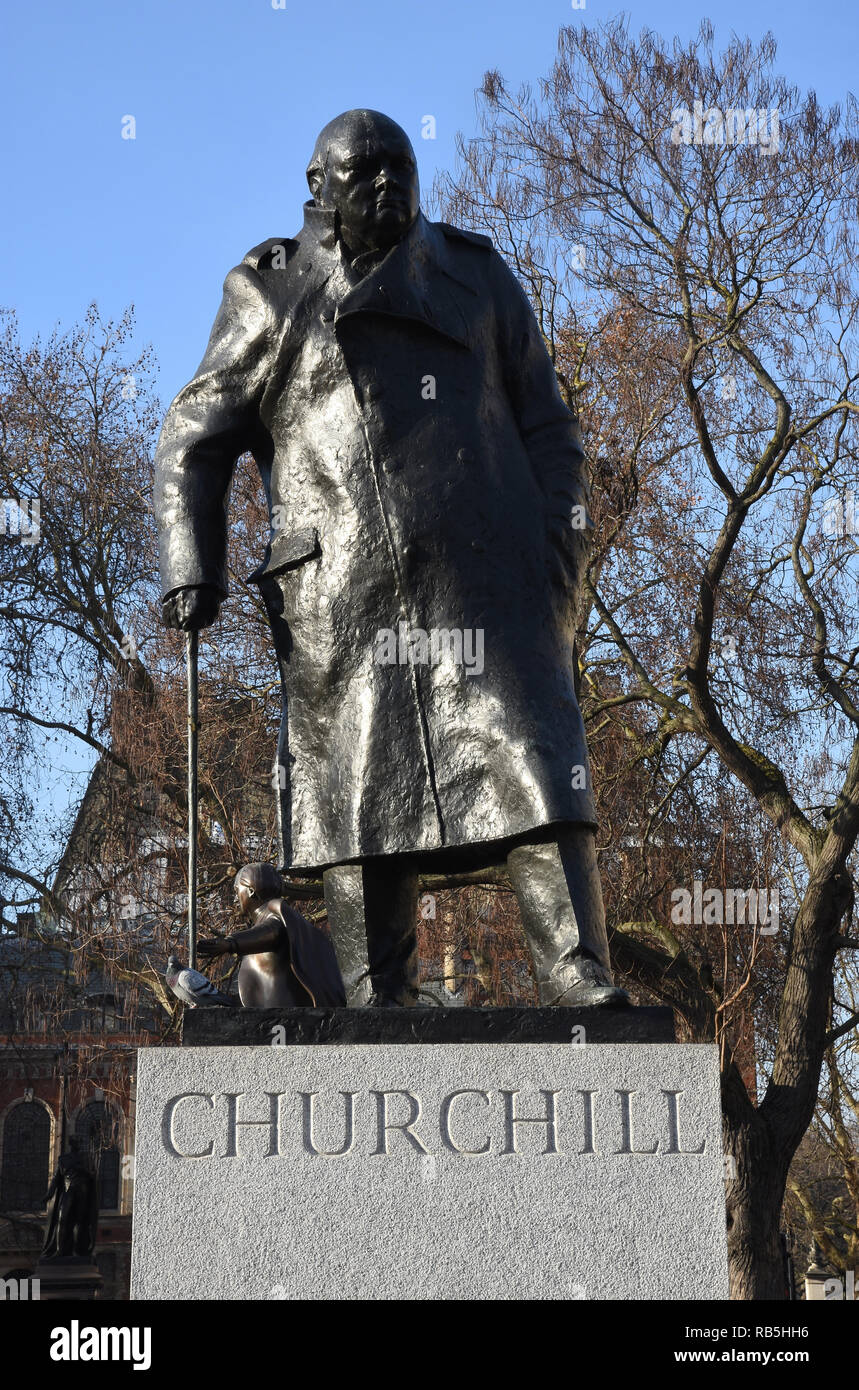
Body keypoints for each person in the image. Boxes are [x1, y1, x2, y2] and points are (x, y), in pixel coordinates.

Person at [155, 109, 627, 1008]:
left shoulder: (476, 275)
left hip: (490, 580)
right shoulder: (271, 293)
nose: (386, 183)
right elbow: (193, 436)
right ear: (317, 188)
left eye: (399, 167)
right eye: (363, 170)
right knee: (361, 797)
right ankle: (378, 1000)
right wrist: (193, 566)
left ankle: (577, 968)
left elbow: (548, 423)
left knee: (532, 758)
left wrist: (556, 541)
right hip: (345, 590)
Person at [198, 863, 346, 1007]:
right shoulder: (267, 918)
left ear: (251, 891)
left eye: (237, 890)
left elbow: (272, 932)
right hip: (274, 1015)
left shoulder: (275, 912)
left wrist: (231, 943)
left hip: (289, 1016)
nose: (236, 898)